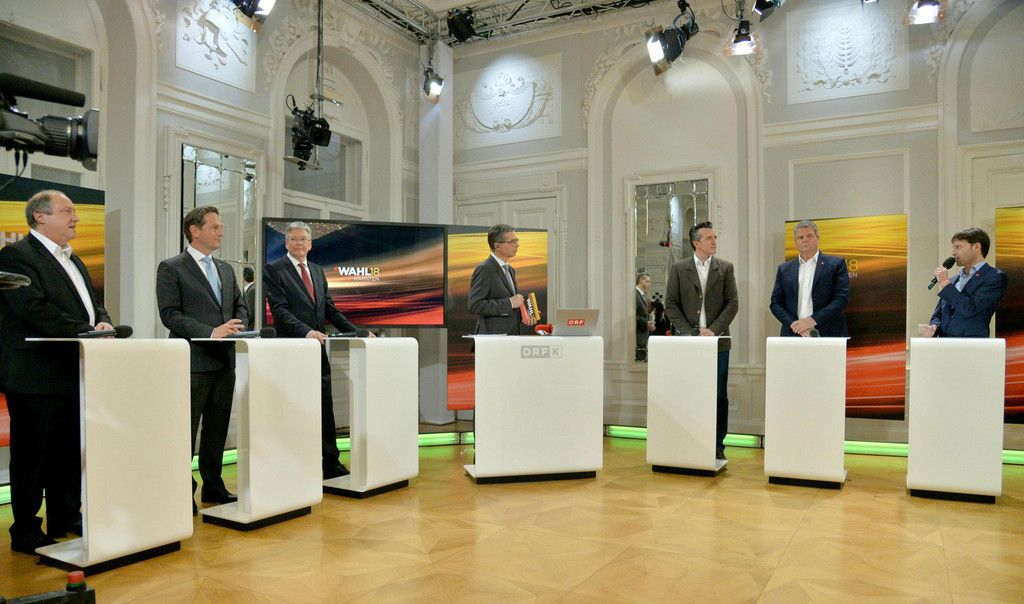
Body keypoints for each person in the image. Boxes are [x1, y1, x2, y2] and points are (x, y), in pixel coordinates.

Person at [0, 190, 112, 553]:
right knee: (32, 457)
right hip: (34, 375)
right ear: (40, 217)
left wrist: (102, 323)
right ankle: (25, 529)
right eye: (67, 211)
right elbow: (32, 308)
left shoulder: (74, 259)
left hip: (73, 371)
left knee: (68, 451)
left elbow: (93, 304)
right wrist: (86, 329)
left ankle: (65, 516)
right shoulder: (15, 257)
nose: (76, 217)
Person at [263, 221, 372, 480]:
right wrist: (306, 332)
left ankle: (330, 463)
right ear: (286, 243)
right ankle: (297, 464)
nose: (298, 243)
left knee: (324, 408)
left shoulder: (316, 270)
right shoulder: (274, 270)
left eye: (303, 239)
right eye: (293, 239)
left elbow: (330, 309)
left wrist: (357, 332)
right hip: (292, 350)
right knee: (295, 408)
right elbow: (280, 311)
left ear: (310, 244)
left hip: (318, 350)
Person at [156, 206, 248, 514]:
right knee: (186, 429)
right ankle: (181, 491)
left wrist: (238, 326)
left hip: (225, 362)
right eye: (215, 227)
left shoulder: (225, 269)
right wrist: (210, 332)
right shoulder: (171, 267)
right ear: (195, 231)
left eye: (221, 227)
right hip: (192, 362)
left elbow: (239, 305)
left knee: (217, 428)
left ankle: (213, 485)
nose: (222, 232)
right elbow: (170, 314)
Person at [664, 222, 739, 460]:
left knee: (719, 395)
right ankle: (688, 442)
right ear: (696, 243)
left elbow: (732, 304)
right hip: (688, 344)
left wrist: (713, 331)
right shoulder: (678, 268)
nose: (714, 241)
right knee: (688, 392)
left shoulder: (725, 268)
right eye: (709, 238)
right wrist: (691, 333)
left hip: (719, 343)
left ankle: (717, 446)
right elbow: (670, 304)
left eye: (715, 237)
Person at [922, 227, 1007, 338]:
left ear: (976, 247)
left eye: (958, 247)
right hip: (944, 344)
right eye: (953, 248)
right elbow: (938, 315)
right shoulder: (953, 280)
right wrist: (934, 327)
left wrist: (945, 283)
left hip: (971, 344)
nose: (953, 253)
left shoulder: (994, 277)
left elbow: (970, 309)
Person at [770, 220, 849, 337]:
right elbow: (775, 303)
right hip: (793, 333)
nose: (805, 240)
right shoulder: (784, 269)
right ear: (795, 242)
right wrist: (794, 324)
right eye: (800, 237)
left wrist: (812, 320)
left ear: (818, 238)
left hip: (827, 333)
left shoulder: (836, 264)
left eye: (809, 236)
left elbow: (841, 299)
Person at [468, 224, 535, 335]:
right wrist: (510, 302)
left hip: (510, 336)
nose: (517, 245)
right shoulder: (485, 268)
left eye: (517, 240)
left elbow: (510, 307)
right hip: (492, 338)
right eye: (512, 242)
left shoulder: (510, 270)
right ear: (497, 246)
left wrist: (524, 314)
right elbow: (475, 306)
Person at [635, 271, 655, 361]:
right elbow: (633, 316)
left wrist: (648, 323)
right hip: (638, 337)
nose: (649, 284)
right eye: (648, 281)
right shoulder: (635, 295)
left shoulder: (642, 295)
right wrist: (645, 322)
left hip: (643, 336)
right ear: (641, 281)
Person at [242, 266, 256, 332]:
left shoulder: (252, 290)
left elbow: (249, 313)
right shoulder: (252, 288)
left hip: (250, 328)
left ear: (243, 278)